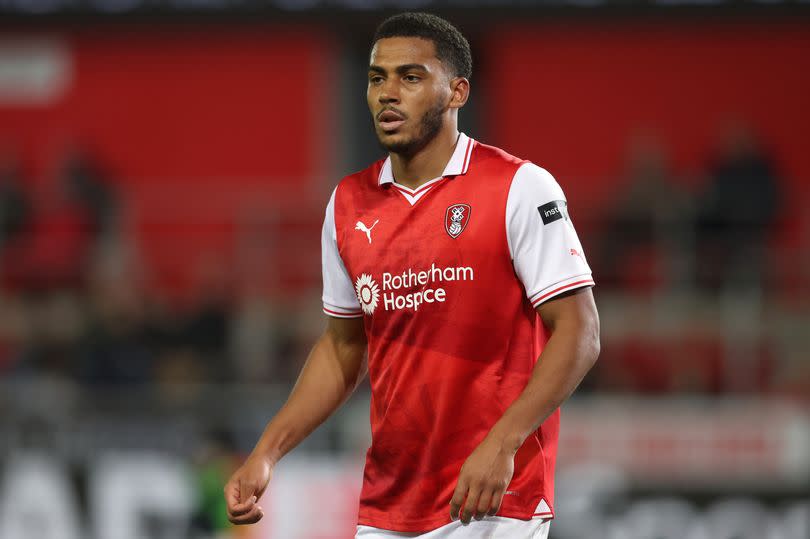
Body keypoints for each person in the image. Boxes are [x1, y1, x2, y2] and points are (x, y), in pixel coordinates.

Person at [224, 12, 600, 539]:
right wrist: (266, 452)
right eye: (378, 78)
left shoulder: (518, 186)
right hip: (389, 503)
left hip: (491, 499)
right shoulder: (347, 204)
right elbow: (342, 348)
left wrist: (503, 442)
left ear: (457, 92)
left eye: (411, 76)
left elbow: (580, 332)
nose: (388, 93)